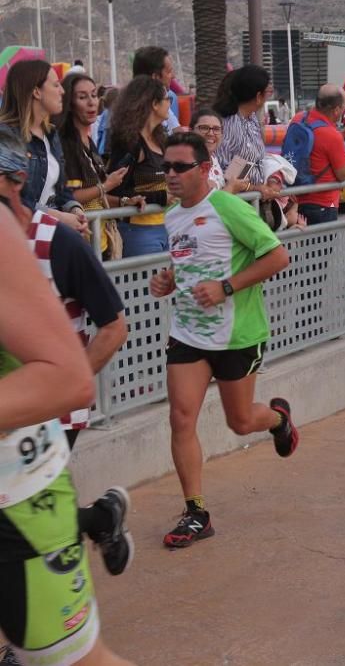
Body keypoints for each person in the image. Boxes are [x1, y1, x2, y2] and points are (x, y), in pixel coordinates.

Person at [0, 202, 134, 664]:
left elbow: (79, 368)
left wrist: (55, 408)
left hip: (18, 497)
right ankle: (100, 519)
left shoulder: (53, 241)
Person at [150, 132, 298, 548]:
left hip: (236, 334)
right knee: (181, 417)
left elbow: (277, 256)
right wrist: (167, 280)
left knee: (241, 422)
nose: (171, 175)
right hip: (188, 332)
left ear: (202, 169)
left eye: (180, 167)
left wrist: (227, 288)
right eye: (166, 167)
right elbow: (188, 263)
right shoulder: (173, 216)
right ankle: (196, 512)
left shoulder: (228, 207)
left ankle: (279, 420)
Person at [0, 60, 88, 235]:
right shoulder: (7, 137)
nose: (62, 91)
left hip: (49, 233)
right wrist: (56, 216)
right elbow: (8, 200)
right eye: (56, 85)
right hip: (20, 237)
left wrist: (74, 209)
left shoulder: (51, 134)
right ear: (36, 91)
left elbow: (61, 189)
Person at [59, 72, 136, 261]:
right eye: (82, 97)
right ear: (69, 103)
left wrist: (126, 201)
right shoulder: (64, 143)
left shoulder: (87, 141)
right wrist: (107, 185)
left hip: (102, 240)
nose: (92, 102)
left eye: (94, 95)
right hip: (82, 241)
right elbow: (71, 196)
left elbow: (97, 194)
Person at [293, 85, 345, 225]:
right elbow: (343, 173)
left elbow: (318, 147)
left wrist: (343, 133)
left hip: (298, 199)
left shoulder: (299, 119)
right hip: (325, 204)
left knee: (307, 245)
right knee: (324, 246)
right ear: (337, 110)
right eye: (344, 106)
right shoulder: (331, 135)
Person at [107, 75, 171, 257]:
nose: (170, 104)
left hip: (167, 226)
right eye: (168, 99)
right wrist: (160, 197)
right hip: (139, 231)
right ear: (154, 104)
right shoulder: (130, 143)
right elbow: (113, 190)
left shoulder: (161, 140)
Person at [214, 65, 280, 202]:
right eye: (267, 92)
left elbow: (252, 161)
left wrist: (272, 180)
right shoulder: (229, 124)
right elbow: (228, 174)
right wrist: (255, 188)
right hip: (237, 204)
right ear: (258, 97)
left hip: (254, 201)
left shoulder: (251, 119)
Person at [190, 107, 248, 193]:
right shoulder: (188, 163)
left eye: (216, 129)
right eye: (204, 128)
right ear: (191, 131)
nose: (210, 133)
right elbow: (206, 202)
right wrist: (231, 187)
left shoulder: (213, 158)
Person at [132, 46, 180, 134]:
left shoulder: (162, 105)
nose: (173, 76)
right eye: (169, 72)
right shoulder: (131, 126)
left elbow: (177, 132)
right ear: (155, 78)